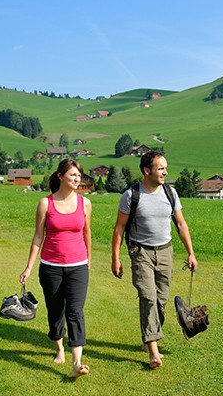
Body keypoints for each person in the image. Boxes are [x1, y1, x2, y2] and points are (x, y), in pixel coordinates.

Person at [111, 151, 198, 369]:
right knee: (148, 297)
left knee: (161, 300)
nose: (165, 172)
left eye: (165, 168)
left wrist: (191, 253)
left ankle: (150, 336)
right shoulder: (131, 195)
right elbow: (119, 228)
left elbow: (181, 224)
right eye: (160, 168)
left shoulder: (170, 193)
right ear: (146, 170)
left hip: (166, 252)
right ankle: (153, 351)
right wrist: (115, 258)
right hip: (141, 252)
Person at [20, 159, 92, 378]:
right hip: (51, 267)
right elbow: (38, 236)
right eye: (72, 175)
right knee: (55, 311)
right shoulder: (45, 203)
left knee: (75, 311)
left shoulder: (85, 204)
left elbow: (86, 233)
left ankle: (77, 362)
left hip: (78, 266)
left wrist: (88, 260)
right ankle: (59, 347)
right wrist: (29, 267)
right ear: (60, 176)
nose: (77, 179)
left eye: (79, 175)